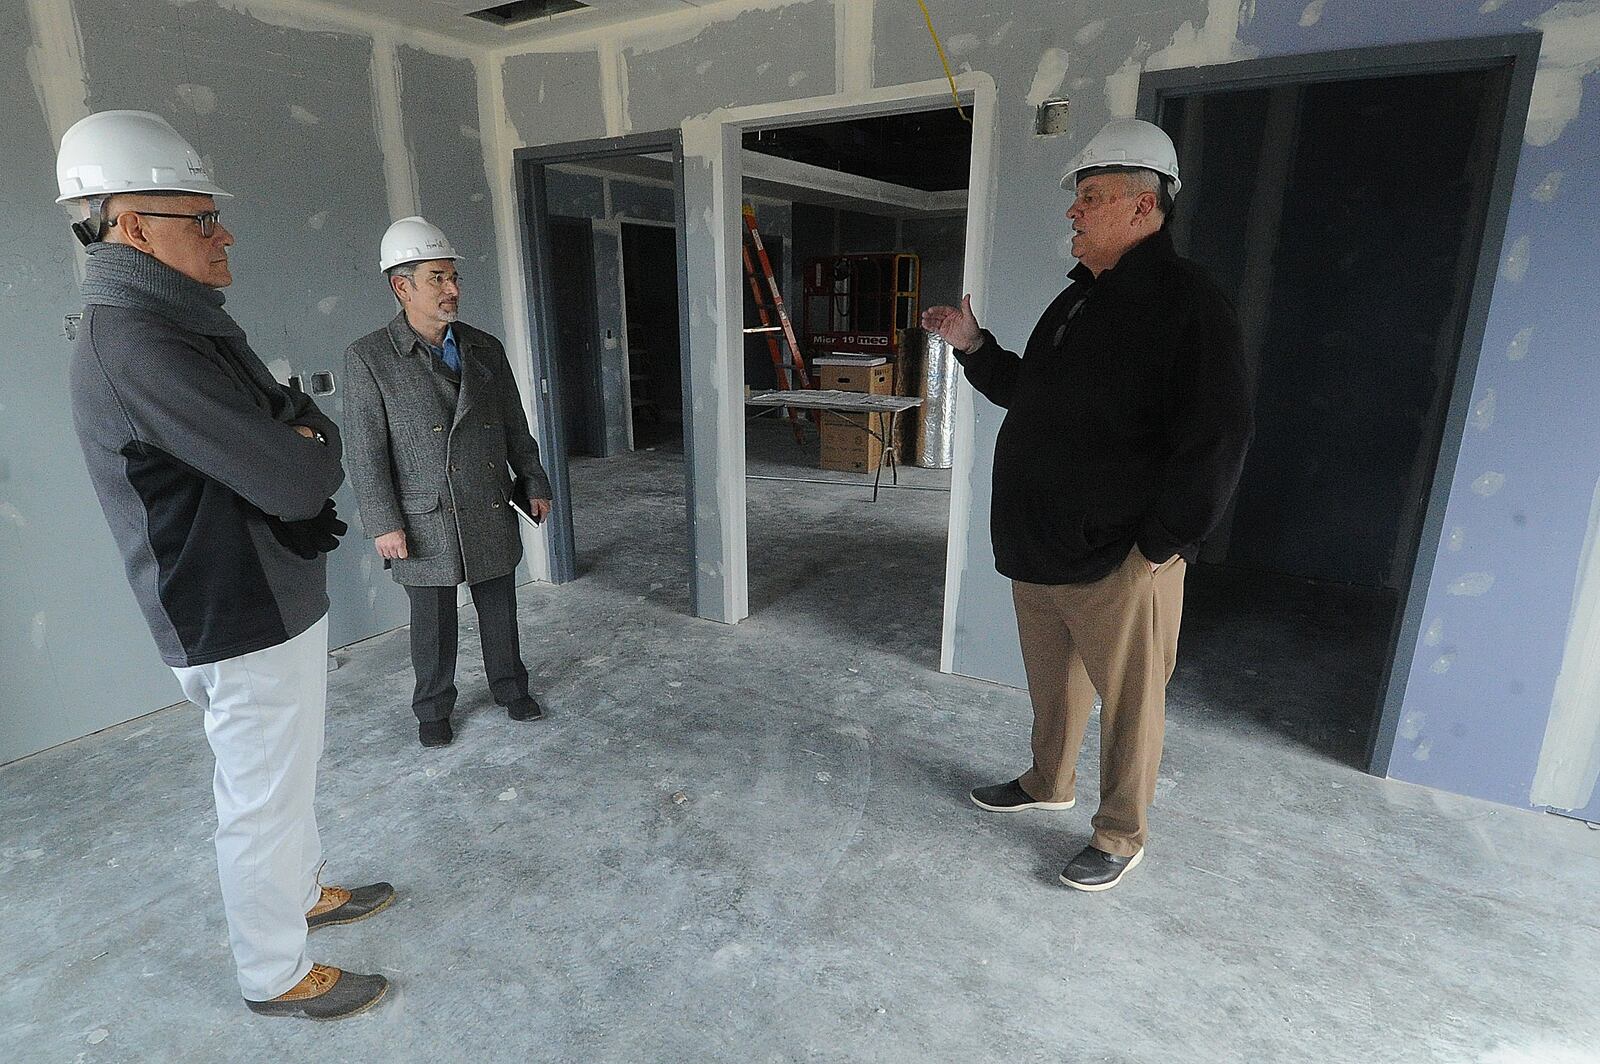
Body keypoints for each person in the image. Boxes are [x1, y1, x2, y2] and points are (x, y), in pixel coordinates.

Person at [59, 110, 392, 1017]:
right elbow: (298, 470)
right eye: (201, 217)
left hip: (268, 594)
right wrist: (307, 436)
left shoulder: (187, 325)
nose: (225, 232)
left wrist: (298, 430)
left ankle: (305, 890)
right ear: (131, 225)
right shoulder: (138, 343)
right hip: (229, 610)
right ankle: (274, 973)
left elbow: (290, 429)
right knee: (259, 798)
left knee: (292, 776)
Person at [922, 118, 1254, 892]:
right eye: (1078, 199)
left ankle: (1119, 833)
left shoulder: (1189, 304)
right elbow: (1029, 396)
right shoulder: (1079, 301)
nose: (1074, 212)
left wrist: (1163, 544)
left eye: (1092, 197)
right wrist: (975, 347)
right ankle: (1047, 782)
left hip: (1121, 557)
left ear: (1146, 208)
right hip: (1040, 546)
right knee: (1054, 688)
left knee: (1131, 705)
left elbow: (1220, 434)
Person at [343, 217, 554, 749]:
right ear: (402, 286)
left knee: (500, 610)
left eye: (453, 277)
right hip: (423, 515)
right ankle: (433, 709)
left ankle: (511, 688)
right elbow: (366, 451)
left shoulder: (484, 348)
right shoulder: (370, 358)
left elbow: (514, 423)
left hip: (486, 503)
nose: (453, 290)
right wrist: (384, 523)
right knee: (433, 626)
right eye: (438, 278)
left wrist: (533, 479)